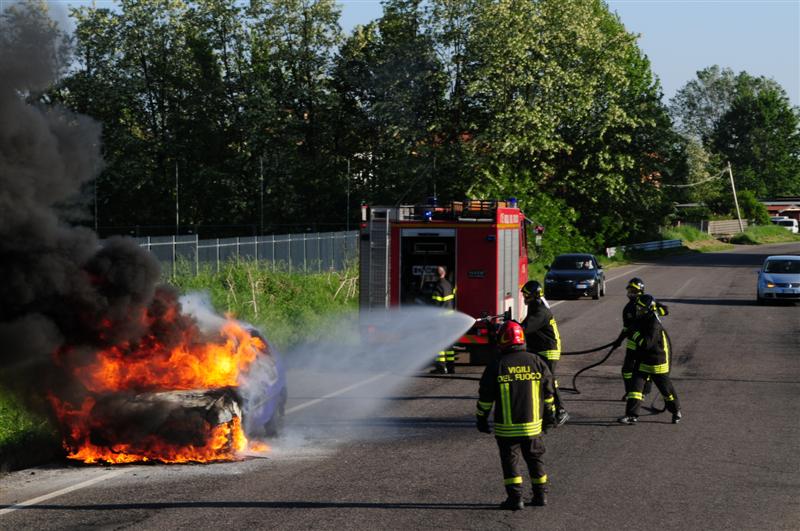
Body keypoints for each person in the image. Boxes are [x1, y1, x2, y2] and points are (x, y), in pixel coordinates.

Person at [476, 320, 557, 510]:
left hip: (507, 428)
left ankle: (515, 499)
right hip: (533, 426)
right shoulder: (537, 362)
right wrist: (549, 417)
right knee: (535, 459)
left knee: (510, 462)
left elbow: (485, 398)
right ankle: (540, 496)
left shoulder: (497, 365)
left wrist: (481, 418)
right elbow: (549, 394)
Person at [618, 294, 682, 425]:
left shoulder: (654, 324)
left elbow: (646, 343)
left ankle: (676, 411)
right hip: (642, 362)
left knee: (667, 392)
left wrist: (634, 334)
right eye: (638, 308)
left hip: (656, 363)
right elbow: (630, 329)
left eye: (641, 309)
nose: (638, 311)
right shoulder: (641, 318)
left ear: (649, 310)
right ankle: (631, 415)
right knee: (635, 390)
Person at [520, 280, 568, 425]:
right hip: (538, 348)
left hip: (548, 350)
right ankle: (546, 411)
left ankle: (561, 411)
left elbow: (526, 327)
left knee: (549, 381)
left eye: (526, 295)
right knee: (540, 381)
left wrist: (512, 325)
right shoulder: (534, 307)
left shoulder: (540, 311)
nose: (524, 298)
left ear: (534, 296)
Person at [612, 278, 668, 400]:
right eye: (630, 290)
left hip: (647, 342)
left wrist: (653, 312)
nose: (631, 293)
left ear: (641, 291)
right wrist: (618, 341)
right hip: (633, 343)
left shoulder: (648, 302)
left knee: (645, 369)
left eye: (634, 291)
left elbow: (665, 310)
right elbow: (626, 329)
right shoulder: (627, 309)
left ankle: (644, 391)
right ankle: (629, 392)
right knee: (627, 370)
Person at [429, 265, 456, 374]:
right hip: (450, 319)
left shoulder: (438, 286)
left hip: (440, 320)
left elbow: (435, 303)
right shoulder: (449, 284)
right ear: (444, 273)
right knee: (449, 344)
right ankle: (451, 367)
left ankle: (440, 367)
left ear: (436, 275)